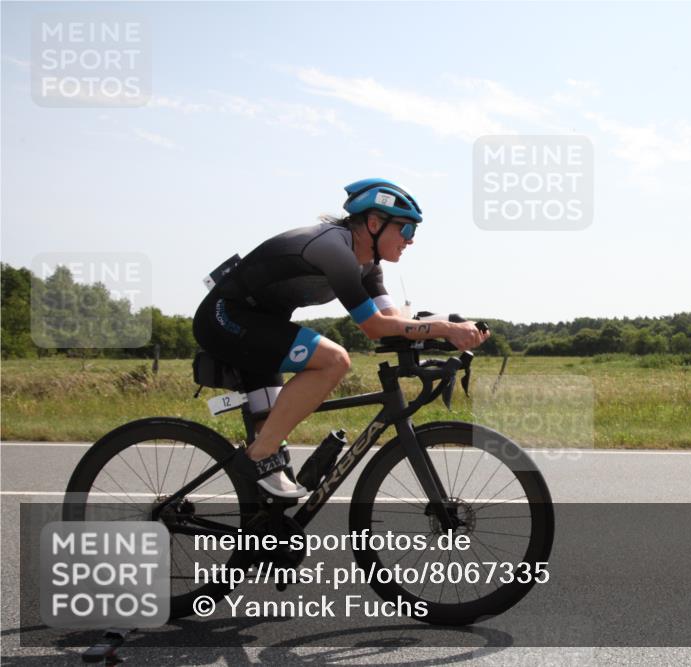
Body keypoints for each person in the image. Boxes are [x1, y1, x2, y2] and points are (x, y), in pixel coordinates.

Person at [192, 178, 489, 497]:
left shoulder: (368, 268)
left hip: (261, 327)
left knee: (272, 463)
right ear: (374, 223)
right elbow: (374, 327)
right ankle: (255, 458)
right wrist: (445, 330)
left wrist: (450, 323)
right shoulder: (334, 250)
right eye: (406, 230)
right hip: (224, 318)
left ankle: (265, 528)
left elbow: (396, 323)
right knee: (333, 361)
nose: (411, 240)